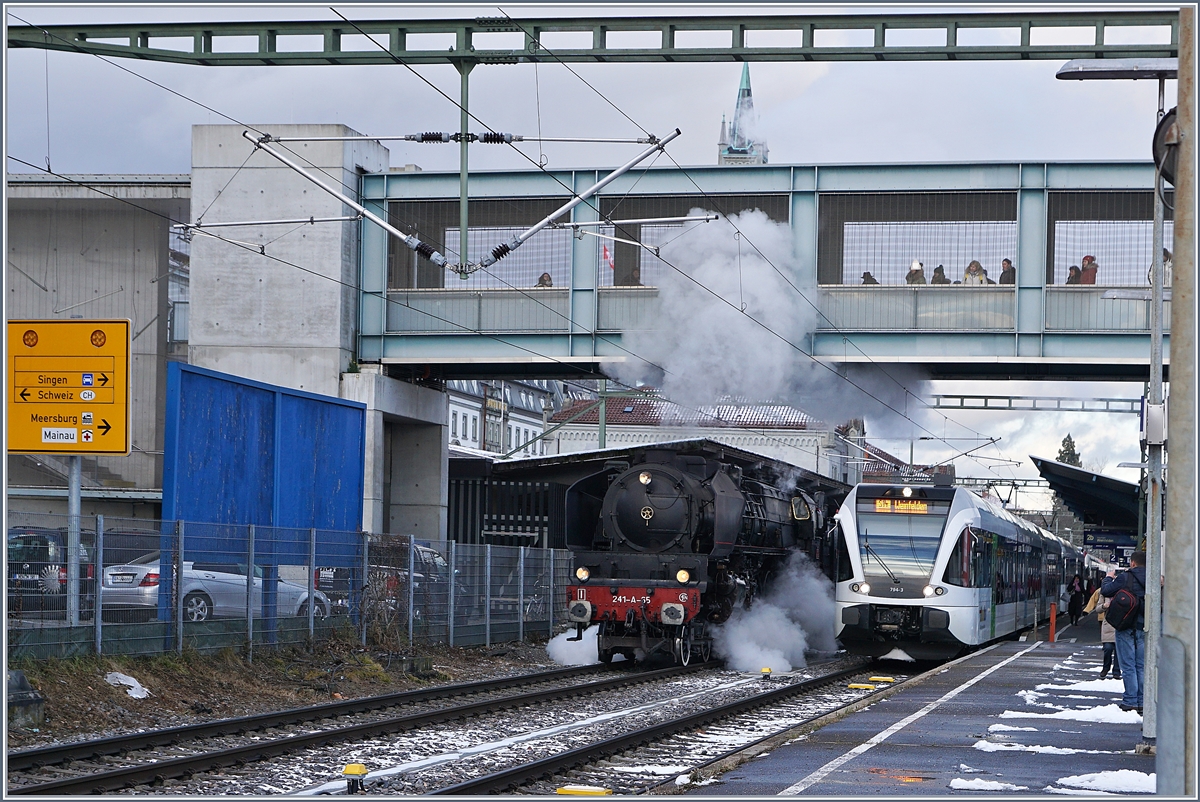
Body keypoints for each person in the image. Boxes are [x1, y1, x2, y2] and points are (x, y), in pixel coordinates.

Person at [1101, 551, 1147, 713]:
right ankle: (1142, 702)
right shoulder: (1153, 578)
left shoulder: (1126, 577)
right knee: (1141, 666)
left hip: (1125, 625)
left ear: (1133, 563)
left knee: (1128, 666)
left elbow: (1106, 591)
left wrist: (1108, 578)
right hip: (1145, 626)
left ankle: (1130, 701)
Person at [1084, 587, 1122, 681]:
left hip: (1120, 624)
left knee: (1119, 650)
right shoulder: (1103, 592)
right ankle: (1106, 667)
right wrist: (1104, 606)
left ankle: (1116, 671)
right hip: (1108, 624)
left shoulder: (1123, 591)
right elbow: (1097, 608)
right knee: (1108, 648)